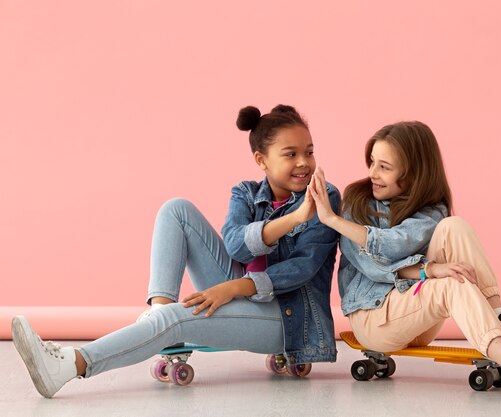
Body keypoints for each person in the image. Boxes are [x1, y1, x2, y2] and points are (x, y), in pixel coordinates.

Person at [12, 104, 341, 399]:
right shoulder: (246, 192)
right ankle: (160, 310)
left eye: (309, 152)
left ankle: (72, 365)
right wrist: (295, 219)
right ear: (261, 160)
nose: (304, 163)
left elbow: (303, 268)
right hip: (242, 289)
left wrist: (233, 288)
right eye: (291, 154)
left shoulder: (324, 196)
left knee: (175, 321)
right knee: (176, 209)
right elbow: (236, 246)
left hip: (287, 317)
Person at [308, 121, 501, 404]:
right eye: (372, 162)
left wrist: (427, 271)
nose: (373, 173)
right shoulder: (356, 202)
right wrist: (429, 270)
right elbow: (374, 263)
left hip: (416, 318)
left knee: (455, 226)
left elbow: (395, 243)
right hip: (374, 320)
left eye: (384, 167)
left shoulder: (431, 210)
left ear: (413, 174)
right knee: (451, 285)